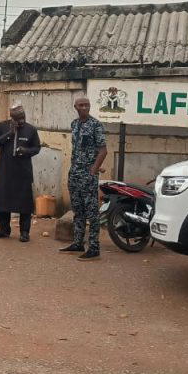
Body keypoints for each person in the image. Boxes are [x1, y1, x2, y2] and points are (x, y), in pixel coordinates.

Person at [59, 97, 108, 261]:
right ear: (75, 107)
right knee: (77, 210)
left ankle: (94, 248)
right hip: (74, 174)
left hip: (88, 176)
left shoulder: (96, 125)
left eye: (87, 105)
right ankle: (78, 242)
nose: (84, 107)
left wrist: (93, 170)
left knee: (92, 212)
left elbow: (103, 151)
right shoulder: (74, 124)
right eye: (81, 105)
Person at [0, 105, 41, 242]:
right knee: (2, 202)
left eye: (23, 118)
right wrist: (9, 134)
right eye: (18, 119)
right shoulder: (2, 126)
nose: (21, 121)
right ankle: (4, 230)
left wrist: (26, 151)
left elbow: (37, 148)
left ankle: (24, 232)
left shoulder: (31, 130)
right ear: (12, 118)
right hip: (5, 172)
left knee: (25, 204)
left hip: (23, 173)